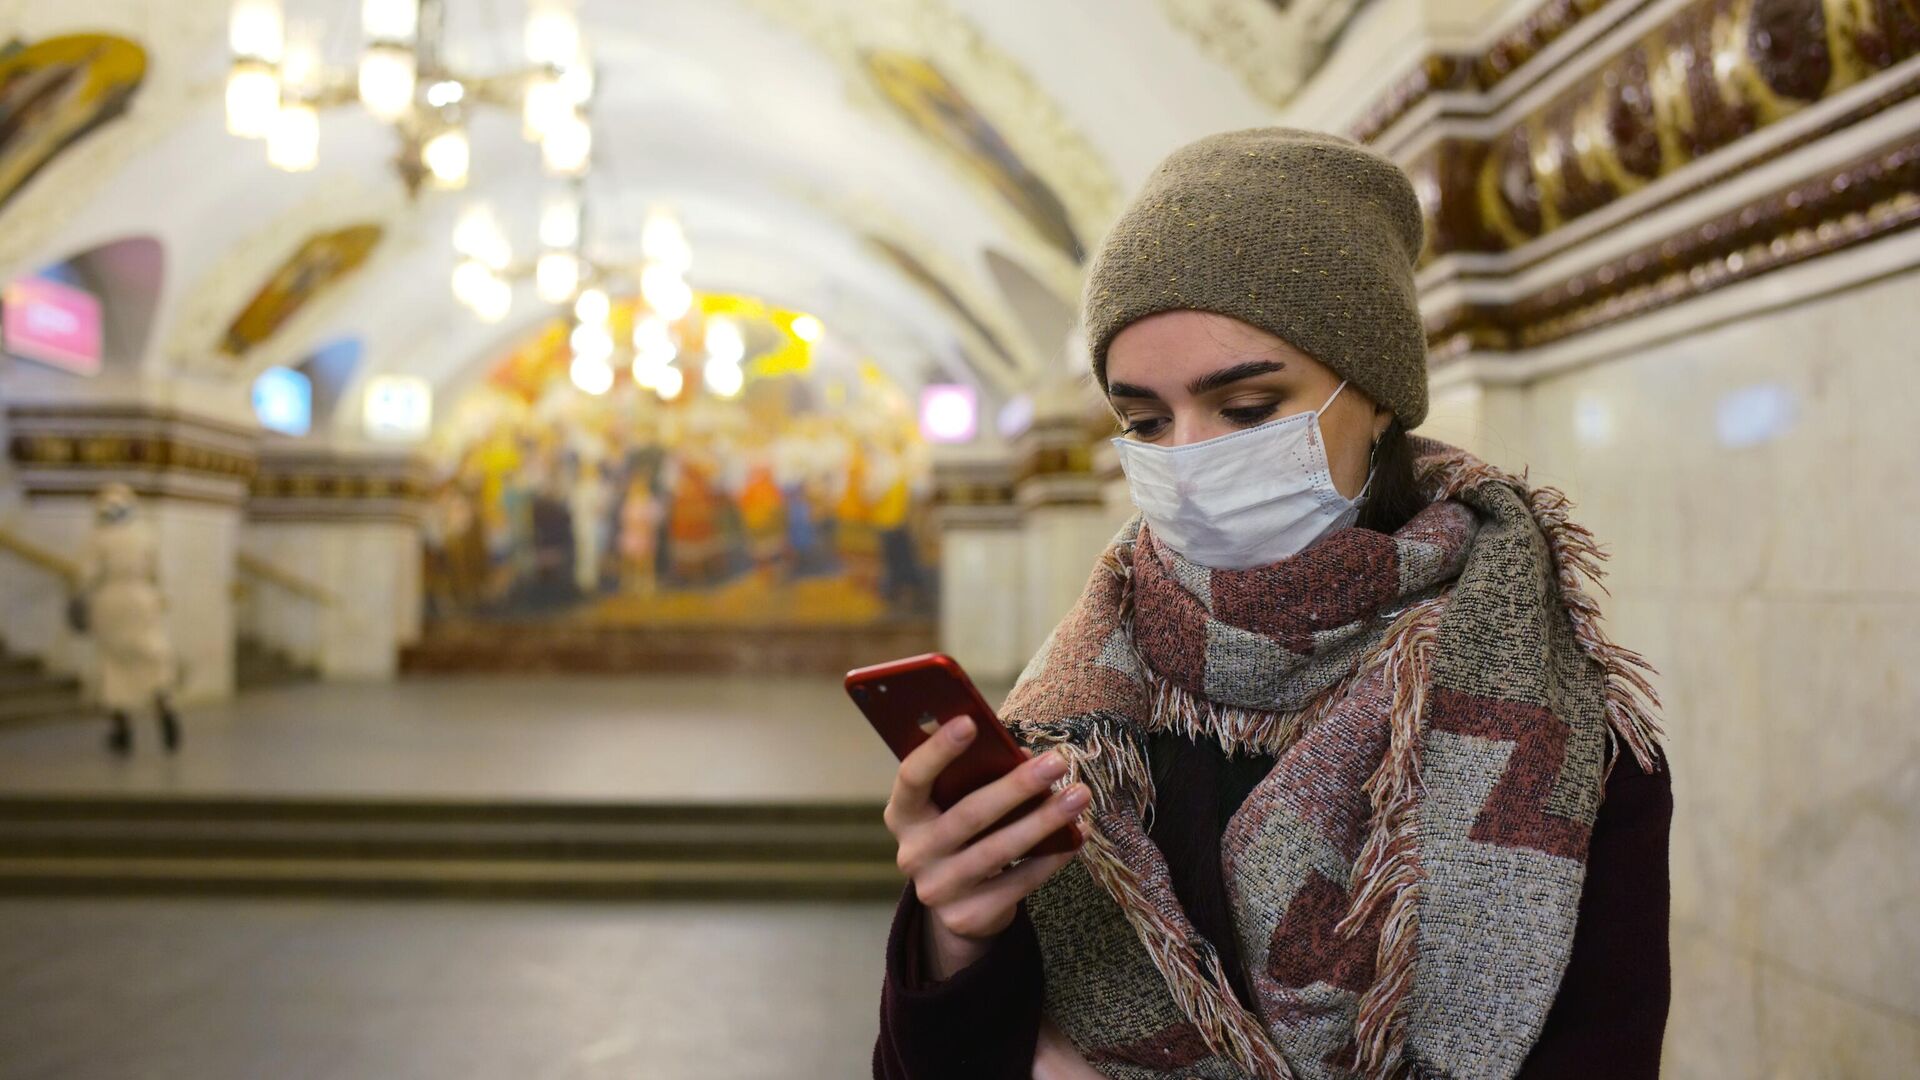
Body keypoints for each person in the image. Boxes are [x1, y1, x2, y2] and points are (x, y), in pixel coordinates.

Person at [872, 128, 1672, 1079]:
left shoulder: (1552, 725)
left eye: (1247, 409)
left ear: (1375, 394)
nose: (1190, 458)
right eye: (1144, 421)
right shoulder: (1079, 726)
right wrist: (954, 943)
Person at [78, 483, 182, 754]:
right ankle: (165, 709)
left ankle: (122, 729)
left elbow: (86, 574)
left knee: (113, 663)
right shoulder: (145, 533)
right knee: (152, 657)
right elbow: (158, 572)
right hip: (142, 598)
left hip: (110, 600)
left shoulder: (99, 535)